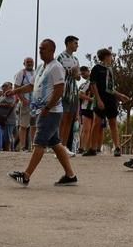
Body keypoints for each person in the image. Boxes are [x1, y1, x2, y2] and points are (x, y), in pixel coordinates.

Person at [7, 38, 78, 186]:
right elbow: (31, 86)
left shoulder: (56, 67)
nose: (40, 51)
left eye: (43, 49)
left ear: (52, 50)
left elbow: (59, 90)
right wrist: (15, 91)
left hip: (51, 112)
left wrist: (47, 108)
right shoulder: (40, 67)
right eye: (40, 48)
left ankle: (26, 176)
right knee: (55, 143)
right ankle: (70, 175)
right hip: (42, 110)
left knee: (39, 143)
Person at [83, 49, 126, 157]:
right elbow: (93, 84)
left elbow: (110, 88)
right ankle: (92, 148)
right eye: (110, 56)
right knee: (97, 122)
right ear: (106, 56)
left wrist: (119, 95)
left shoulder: (110, 69)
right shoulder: (97, 68)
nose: (112, 58)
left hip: (111, 99)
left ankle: (117, 147)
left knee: (113, 122)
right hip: (100, 98)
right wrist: (98, 99)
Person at [57, 37, 82, 154]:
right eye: (75, 43)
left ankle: (64, 146)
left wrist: (77, 75)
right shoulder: (60, 57)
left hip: (73, 91)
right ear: (68, 43)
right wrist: (70, 72)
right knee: (63, 119)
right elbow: (57, 72)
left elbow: (78, 77)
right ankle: (58, 147)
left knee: (69, 120)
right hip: (64, 90)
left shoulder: (75, 59)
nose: (77, 45)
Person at [12, 57, 36, 151]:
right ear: (24, 63)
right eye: (28, 62)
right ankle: (22, 147)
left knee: (34, 125)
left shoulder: (36, 73)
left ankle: (33, 146)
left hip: (35, 103)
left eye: (31, 62)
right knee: (23, 125)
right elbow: (16, 87)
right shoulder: (21, 73)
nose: (29, 63)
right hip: (25, 102)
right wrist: (22, 99)